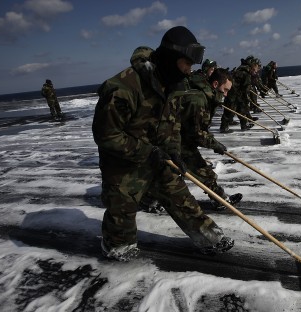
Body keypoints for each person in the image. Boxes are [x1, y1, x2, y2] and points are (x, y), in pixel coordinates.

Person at [92, 26, 234, 261]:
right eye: (186, 63)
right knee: (122, 212)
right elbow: (107, 135)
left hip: (158, 156)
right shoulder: (123, 87)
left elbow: (171, 125)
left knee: (180, 196)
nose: (189, 70)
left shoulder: (173, 85)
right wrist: (147, 152)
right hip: (123, 163)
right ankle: (117, 247)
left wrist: (173, 152)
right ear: (171, 58)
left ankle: (208, 236)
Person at [181, 67, 243, 210]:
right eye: (225, 90)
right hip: (173, 142)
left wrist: (213, 143)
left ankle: (220, 199)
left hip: (183, 141)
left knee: (204, 173)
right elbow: (196, 132)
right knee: (170, 177)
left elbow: (199, 129)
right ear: (215, 84)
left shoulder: (207, 97)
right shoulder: (197, 100)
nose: (226, 95)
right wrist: (214, 144)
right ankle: (149, 200)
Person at [219, 56, 259, 133]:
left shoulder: (241, 69)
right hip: (233, 93)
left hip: (235, 92)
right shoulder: (246, 73)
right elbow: (245, 88)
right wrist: (246, 97)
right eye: (255, 68)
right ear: (252, 66)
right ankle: (223, 127)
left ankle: (244, 125)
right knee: (230, 111)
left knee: (241, 109)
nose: (256, 71)